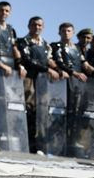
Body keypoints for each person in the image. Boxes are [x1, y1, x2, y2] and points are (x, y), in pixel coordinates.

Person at [17, 16, 61, 152]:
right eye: (34, 25)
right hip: (29, 79)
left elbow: (49, 60)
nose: (37, 28)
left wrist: (59, 70)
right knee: (27, 109)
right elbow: (28, 60)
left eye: (40, 25)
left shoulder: (45, 44)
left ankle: (36, 143)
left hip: (43, 82)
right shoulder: (23, 42)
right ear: (29, 26)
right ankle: (24, 141)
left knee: (41, 112)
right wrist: (48, 69)